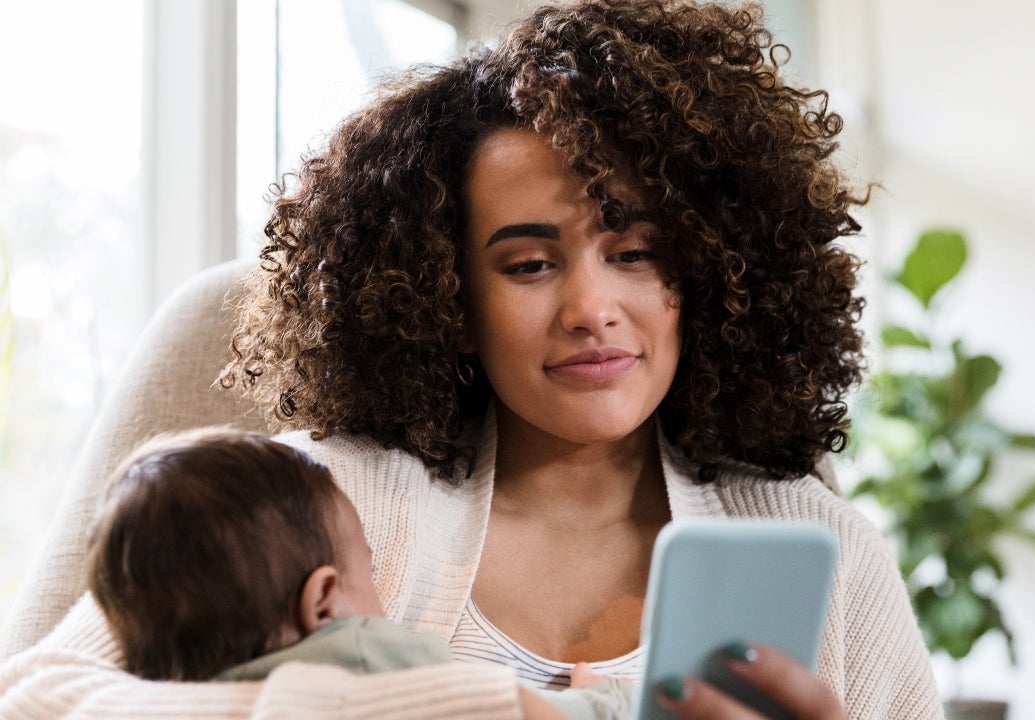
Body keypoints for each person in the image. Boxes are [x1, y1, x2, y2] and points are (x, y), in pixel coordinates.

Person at [0, 0, 943, 717]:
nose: (589, 309)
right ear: (446, 292)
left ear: (706, 268)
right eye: (530, 264)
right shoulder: (328, 505)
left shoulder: (828, 558)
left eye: (636, 253)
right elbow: (38, 698)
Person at [84, 428, 632, 720]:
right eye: (366, 570)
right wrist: (604, 701)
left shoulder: (169, 691)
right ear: (324, 598)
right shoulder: (368, 658)